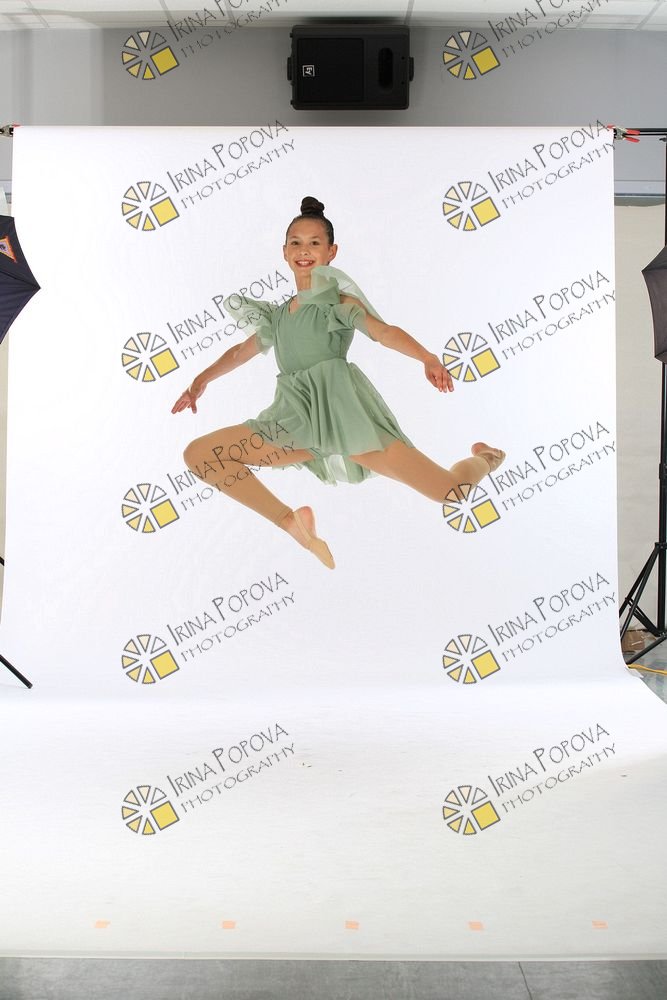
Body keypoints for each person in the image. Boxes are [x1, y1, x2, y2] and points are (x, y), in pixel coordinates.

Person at [172, 196, 505, 569]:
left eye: (315, 243)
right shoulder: (278, 317)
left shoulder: (337, 304)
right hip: (294, 423)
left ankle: (486, 457)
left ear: (331, 252)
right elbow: (239, 352)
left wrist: (426, 357)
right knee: (200, 455)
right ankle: (293, 523)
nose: (304, 250)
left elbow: (383, 332)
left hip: (347, 421)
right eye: (296, 242)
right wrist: (200, 381)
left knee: (450, 492)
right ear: (284, 252)